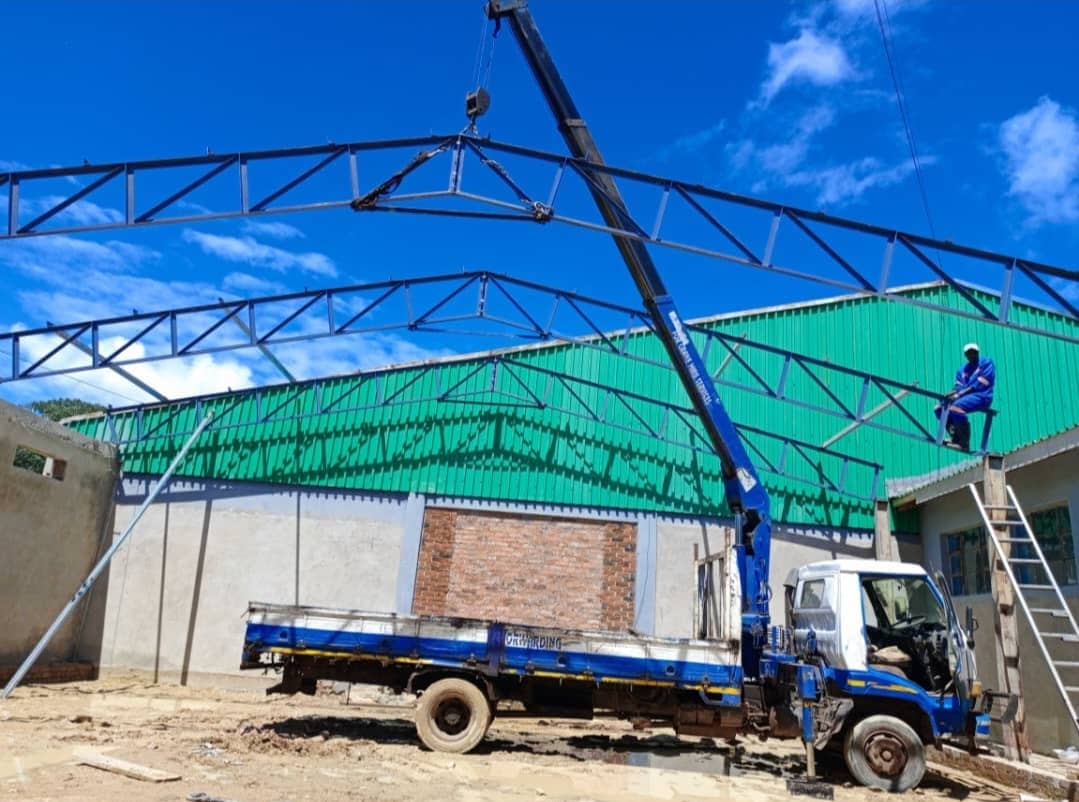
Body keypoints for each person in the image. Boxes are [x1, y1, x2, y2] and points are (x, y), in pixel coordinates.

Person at [934, 343, 995, 450]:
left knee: (954, 407)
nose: (972, 355)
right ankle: (956, 438)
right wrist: (951, 393)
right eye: (969, 353)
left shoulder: (986, 362)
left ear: (978, 352)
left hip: (982, 396)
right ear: (965, 355)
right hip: (965, 397)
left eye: (974, 352)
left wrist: (959, 394)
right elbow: (958, 387)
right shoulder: (962, 370)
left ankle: (964, 443)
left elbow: (979, 385)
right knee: (939, 409)